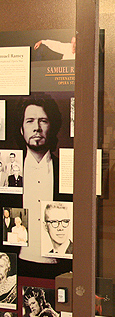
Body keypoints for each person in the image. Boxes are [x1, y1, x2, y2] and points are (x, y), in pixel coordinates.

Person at [15, 94, 72, 277]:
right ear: (22, 129)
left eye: (43, 121)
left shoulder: (67, 171)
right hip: (17, 264)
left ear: (52, 127)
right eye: (30, 121)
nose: (37, 128)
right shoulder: (10, 173)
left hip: (59, 267)